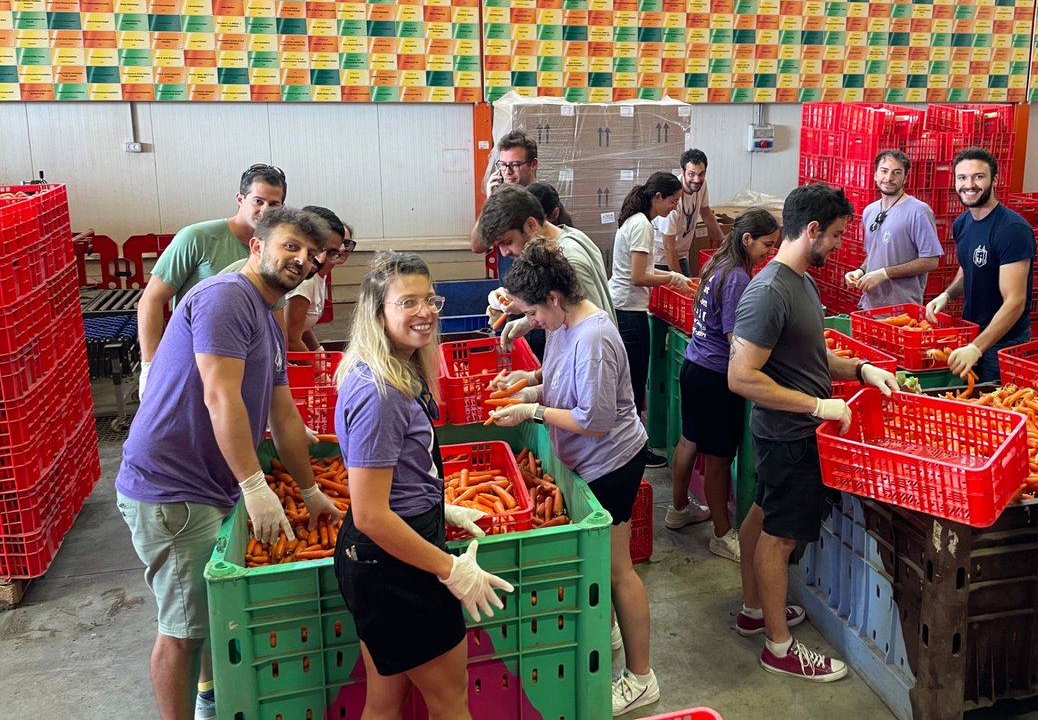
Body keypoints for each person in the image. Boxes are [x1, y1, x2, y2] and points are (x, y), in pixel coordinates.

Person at [115, 206, 341, 720]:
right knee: (183, 631)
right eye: (290, 246)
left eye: (310, 254)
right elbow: (222, 398)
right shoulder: (225, 297)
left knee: (203, 616)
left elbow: (282, 411)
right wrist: (254, 485)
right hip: (172, 488)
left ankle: (208, 700)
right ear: (256, 245)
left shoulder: (265, 311)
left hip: (205, 487)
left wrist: (308, 490)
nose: (301, 260)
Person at [728, 184, 899, 682]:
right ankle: (779, 648)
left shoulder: (802, 282)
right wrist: (815, 404)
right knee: (778, 540)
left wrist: (859, 369)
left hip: (795, 432)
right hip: (789, 435)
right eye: (838, 235)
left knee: (763, 518)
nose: (842, 245)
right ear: (811, 231)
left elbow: (806, 354)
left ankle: (755, 610)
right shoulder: (769, 291)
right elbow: (741, 377)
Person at [332, 252, 513, 720]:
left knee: (386, 699)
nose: (426, 311)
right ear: (378, 313)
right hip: (396, 567)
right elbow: (371, 513)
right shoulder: (381, 393)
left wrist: (437, 504)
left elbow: (385, 483)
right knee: (451, 702)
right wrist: (450, 569)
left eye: (429, 299)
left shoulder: (396, 368)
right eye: (407, 302)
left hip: (382, 556)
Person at [487, 239, 657, 716]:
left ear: (555, 298)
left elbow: (594, 418)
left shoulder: (595, 338)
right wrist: (526, 383)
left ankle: (643, 678)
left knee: (620, 571)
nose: (532, 322)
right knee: (607, 566)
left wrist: (532, 410)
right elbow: (562, 379)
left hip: (613, 462)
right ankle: (611, 630)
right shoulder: (565, 326)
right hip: (588, 458)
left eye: (533, 313)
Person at [667, 208, 780, 563]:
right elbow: (736, 337)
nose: (770, 252)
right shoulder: (736, 277)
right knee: (718, 459)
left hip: (695, 364)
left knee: (690, 439)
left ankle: (678, 509)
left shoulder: (717, 261)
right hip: (717, 377)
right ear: (747, 239)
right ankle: (721, 533)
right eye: (767, 244)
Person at [137, 163, 287, 395]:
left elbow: (276, 319)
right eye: (258, 201)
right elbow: (152, 300)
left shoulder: (273, 250)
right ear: (240, 199)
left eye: (274, 204)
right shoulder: (197, 238)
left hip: (246, 367)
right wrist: (150, 366)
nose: (265, 210)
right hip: (191, 364)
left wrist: (279, 370)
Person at [924, 147, 1036, 381]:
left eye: (978, 176)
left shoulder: (1011, 230)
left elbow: (1015, 302)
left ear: (995, 179)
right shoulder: (962, 223)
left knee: (996, 406)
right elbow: (969, 268)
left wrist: (977, 347)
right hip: (972, 333)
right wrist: (946, 296)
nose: (969, 184)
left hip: (1003, 343)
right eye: (962, 177)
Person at [608, 171, 694, 469]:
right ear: (657, 197)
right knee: (632, 383)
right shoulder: (643, 225)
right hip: (629, 311)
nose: (674, 207)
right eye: (672, 201)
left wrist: (671, 278)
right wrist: (672, 276)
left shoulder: (635, 221)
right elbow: (638, 276)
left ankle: (629, 447)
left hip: (622, 305)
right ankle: (633, 451)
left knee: (629, 382)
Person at [477, 184, 615, 357]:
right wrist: (527, 316)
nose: (505, 252)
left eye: (508, 242)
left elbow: (592, 330)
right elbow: (567, 310)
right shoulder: (569, 236)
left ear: (530, 225)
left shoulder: (569, 260)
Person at [844, 149, 943, 309]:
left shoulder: (919, 211)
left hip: (902, 310)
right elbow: (876, 253)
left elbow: (931, 261)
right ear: (875, 175)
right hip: (868, 306)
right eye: (884, 171)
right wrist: (860, 272)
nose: (889, 178)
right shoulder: (870, 211)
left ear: (905, 178)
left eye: (896, 173)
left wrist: (885, 273)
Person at [284, 208, 354, 352]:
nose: (342, 249)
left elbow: (301, 326)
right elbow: (291, 338)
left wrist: (319, 353)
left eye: (347, 243)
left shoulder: (317, 276)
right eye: (320, 247)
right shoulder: (304, 282)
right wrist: (318, 369)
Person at [654, 148, 724, 276]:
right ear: (683, 172)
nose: (697, 180)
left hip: (681, 254)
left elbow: (706, 212)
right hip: (662, 259)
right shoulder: (672, 200)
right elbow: (668, 247)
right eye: (691, 174)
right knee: (680, 289)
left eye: (701, 174)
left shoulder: (701, 186)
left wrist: (724, 242)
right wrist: (681, 280)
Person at [471, 131, 540, 254]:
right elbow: (477, 246)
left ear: (533, 164)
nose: (507, 172)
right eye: (503, 165)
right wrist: (490, 202)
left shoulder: (543, 197)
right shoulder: (504, 200)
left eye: (515, 165)